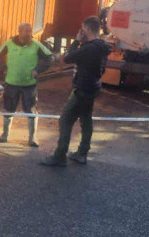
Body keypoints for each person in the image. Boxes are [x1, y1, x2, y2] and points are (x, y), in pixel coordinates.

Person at [41, 16, 111, 167]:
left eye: (83, 28)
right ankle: (82, 153)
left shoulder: (88, 48)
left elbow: (68, 58)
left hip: (82, 89)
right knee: (86, 119)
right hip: (93, 87)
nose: (81, 30)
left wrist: (77, 41)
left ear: (87, 28)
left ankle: (59, 156)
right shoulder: (102, 46)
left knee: (65, 120)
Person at [0, 23, 53, 146]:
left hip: (29, 85)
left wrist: (38, 70)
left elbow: (49, 58)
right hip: (11, 83)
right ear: (19, 32)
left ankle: (32, 138)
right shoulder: (9, 44)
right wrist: (3, 68)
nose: (28, 34)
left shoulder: (36, 45)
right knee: (9, 109)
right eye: (26, 31)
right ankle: (5, 135)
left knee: (31, 111)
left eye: (30, 31)